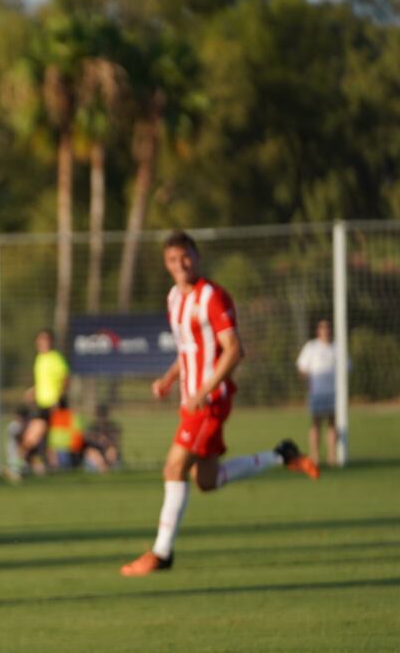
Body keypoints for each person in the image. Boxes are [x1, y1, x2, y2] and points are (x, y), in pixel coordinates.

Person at [121, 231, 319, 576]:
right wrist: (169, 379)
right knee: (206, 481)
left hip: (210, 402)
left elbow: (234, 350)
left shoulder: (212, 296)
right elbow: (189, 349)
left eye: (186, 256)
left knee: (173, 468)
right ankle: (282, 454)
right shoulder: (173, 298)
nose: (180, 264)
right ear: (166, 265)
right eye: (172, 259)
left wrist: (205, 389)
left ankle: (161, 553)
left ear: (196, 257)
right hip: (192, 401)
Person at [19, 330, 69, 472]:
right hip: (42, 405)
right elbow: (44, 382)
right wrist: (33, 391)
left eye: (45, 340)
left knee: (36, 437)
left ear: (51, 342)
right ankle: (45, 468)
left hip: (54, 405)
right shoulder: (39, 358)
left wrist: (58, 398)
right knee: (41, 440)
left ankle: (17, 465)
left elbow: (65, 379)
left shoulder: (55, 358)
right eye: (40, 340)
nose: (42, 343)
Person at [296, 319, 339, 467]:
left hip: (334, 393)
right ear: (318, 331)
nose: (325, 331)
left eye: (328, 328)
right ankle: (315, 456)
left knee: (333, 424)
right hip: (317, 393)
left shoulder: (336, 348)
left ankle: (332, 456)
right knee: (316, 423)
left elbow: (346, 367)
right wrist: (308, 383)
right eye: (322, 328)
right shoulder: (311, 347)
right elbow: (302, 367)